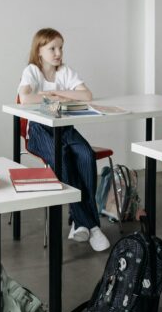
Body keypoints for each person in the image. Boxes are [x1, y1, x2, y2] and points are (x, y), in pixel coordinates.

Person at [17, 28, 110, 252]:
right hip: (39, 130)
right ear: (39, 51)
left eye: (60, 48)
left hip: (64, 126)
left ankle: (80, 222)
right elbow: (24, 98)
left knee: (86, 155)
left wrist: (56, 95)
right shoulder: (32, 71)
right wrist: (57, 96)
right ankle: (91, 225)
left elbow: (86, 95)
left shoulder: (64, 71)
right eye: (52, 48)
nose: (58, 53)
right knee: (64, 159)